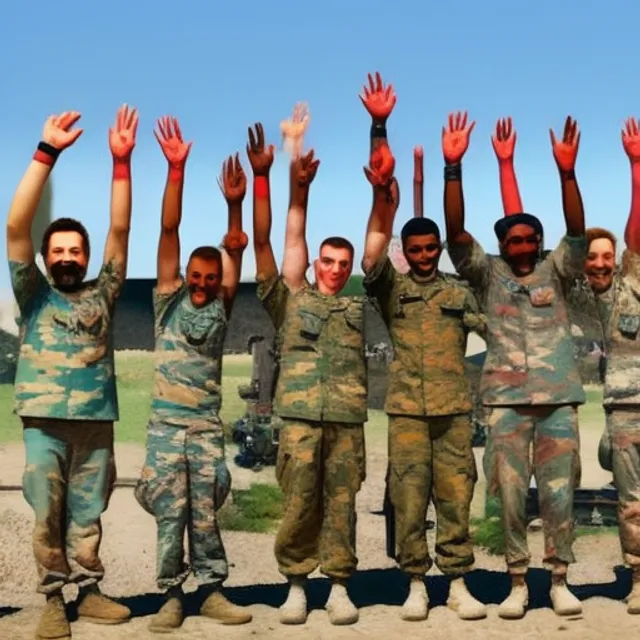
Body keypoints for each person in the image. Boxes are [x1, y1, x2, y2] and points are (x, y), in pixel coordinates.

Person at [443, 111, 587, 619]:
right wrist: (453, 166)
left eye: (530, 239)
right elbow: (455, 232)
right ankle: (518, 581)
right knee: (508, 497)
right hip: (505, 405)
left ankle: (560, 579)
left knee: (559, 496)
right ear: (503, 245)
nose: (522, 247)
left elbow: (575, 229)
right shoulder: (489, 275)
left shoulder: (559, 270)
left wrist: (566, 174)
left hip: (558, 402)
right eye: (514, 240)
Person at [6, 106, 138, 639]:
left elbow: (121, 228)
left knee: (89, 510)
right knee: (47, 513)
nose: (66, 257)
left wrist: (122, 163)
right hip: (42, 421)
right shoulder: (33, 294)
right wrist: (48, 152)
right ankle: (52, 601)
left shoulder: (103, 292)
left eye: (75, 250)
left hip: (95, 420)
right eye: (57, 250)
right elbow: (16, 224)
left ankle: (88, 591)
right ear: (44, 257)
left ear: (85, 257)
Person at [359, 72, 487, 622]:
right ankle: (415, 579)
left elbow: (497, 331)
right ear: (405, 251)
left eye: (431, 247)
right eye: (415, 249)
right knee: (409, 498)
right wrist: (378, 128)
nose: (425, 254)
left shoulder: (458, 291)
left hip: (455, 413)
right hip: (409, 412)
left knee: (456, 494)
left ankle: (457, 580)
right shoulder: (393, 289)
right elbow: (369, 257)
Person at [134, 116, 252, 631]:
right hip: (165, 428)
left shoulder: (222, 308)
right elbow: (167, 230)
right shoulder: (167, 302)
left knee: (205, 513)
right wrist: (175, 170)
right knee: (169, 515)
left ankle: (212, 590)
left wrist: (234, 203)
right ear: (184, 276)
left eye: (210, 278)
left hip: (204, 428)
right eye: (195, 277)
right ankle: (170, 595)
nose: (202, 285)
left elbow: (234, 243)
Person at [253, 106, 366, 626]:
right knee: (299, 503)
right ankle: (297, 584)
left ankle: (339, 586)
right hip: (298, 421)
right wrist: (297, 175)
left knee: (342, 504)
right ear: (316, 264)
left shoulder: (358, 306)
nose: (337, 270)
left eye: (344, 264)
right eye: (329, 261)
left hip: (345, 420)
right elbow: (289, 236)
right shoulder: (292, 299)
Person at [592, 117, 640, 614]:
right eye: (596, 258)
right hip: (627, 409)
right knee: (633, 502)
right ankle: (639, 577)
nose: (602, 262)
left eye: (608, 255)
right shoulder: (612, 295)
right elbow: (635, 232)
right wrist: (636, 167)